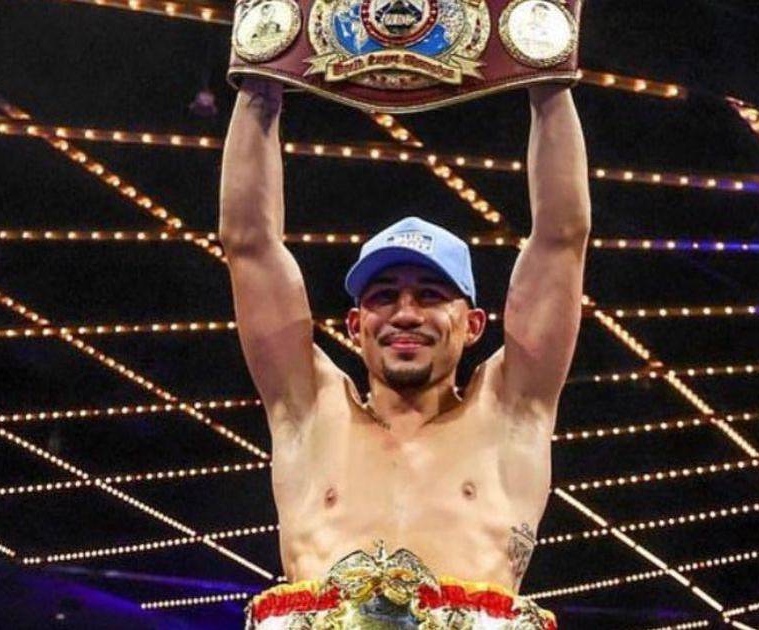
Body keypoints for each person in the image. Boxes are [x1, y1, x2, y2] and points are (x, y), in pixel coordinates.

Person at [219, 78, 590, 628]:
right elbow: (248, 244)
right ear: (355, 325)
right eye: (384, 296)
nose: (406, 313)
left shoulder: (509, 413)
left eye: (431, 295)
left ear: (473, 325)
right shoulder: (311, 413)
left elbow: (561, 239)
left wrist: (549, 84)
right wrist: (258, 88)